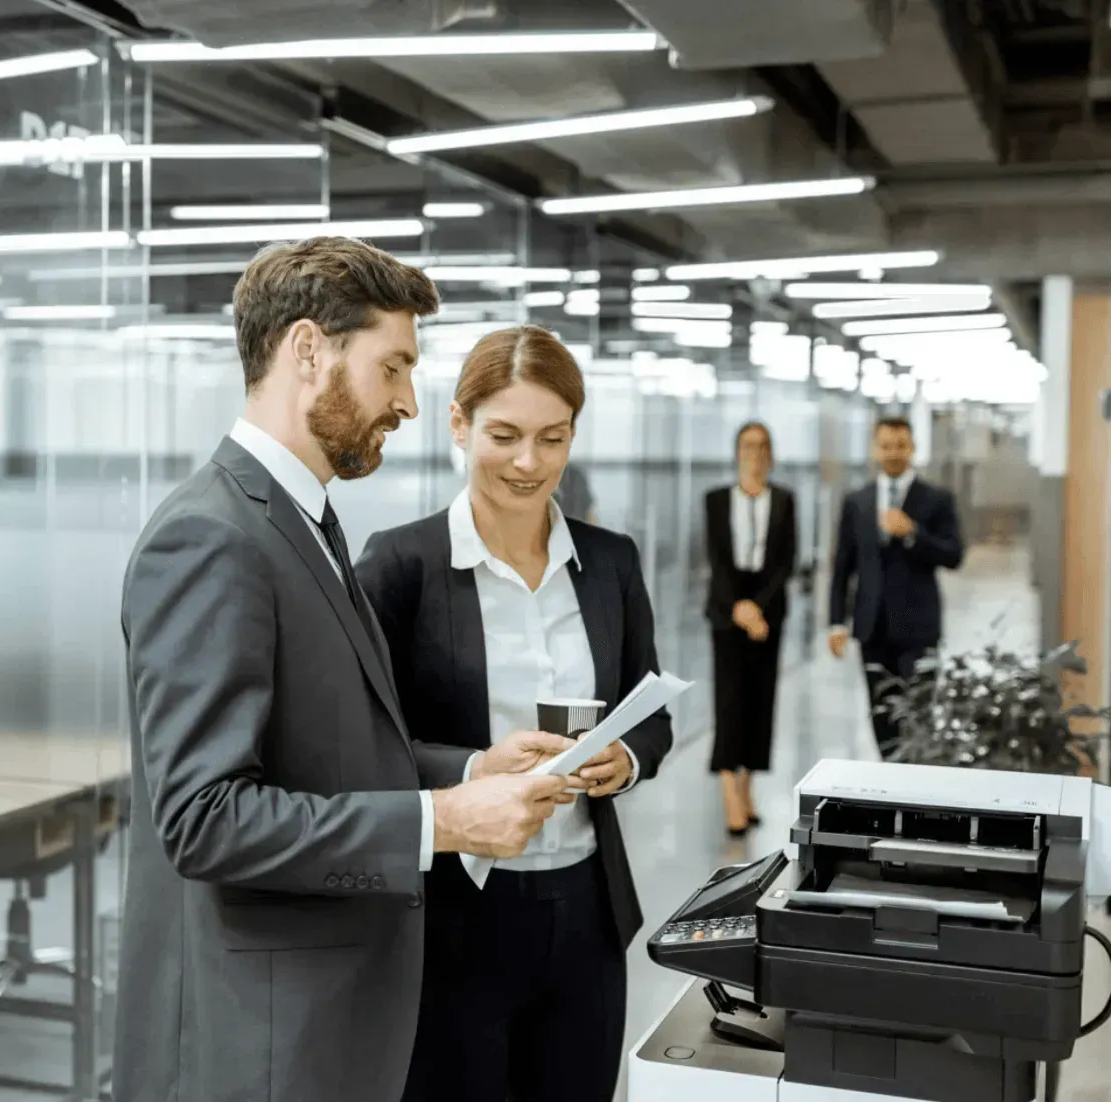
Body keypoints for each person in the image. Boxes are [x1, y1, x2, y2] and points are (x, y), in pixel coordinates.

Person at [113, 239, 579, 1102]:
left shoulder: (307, 523)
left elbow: (326, 752)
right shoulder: (211, 538)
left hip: (321, 1029)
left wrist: (473, 772)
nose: (407, 401)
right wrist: (441, 822)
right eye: (393, 366)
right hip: (257, 1046)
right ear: (307, 351)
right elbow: (203, 819)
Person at [357, 325, 674, 1102]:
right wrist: (471, 770)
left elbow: (652, 709)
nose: (528, 462)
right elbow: (363, 741)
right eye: (503, 435)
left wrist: (625, 757)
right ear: (458, 425)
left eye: (551, 437)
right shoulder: (401, 567)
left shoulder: (610, 563)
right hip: (453, 918)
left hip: (586, 912)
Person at [829, 416, 965, 757]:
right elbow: (842, 567)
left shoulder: (936, 499)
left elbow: (954, 554)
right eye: (886, 446)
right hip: (873, 630)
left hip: (919, 630)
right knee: (881, 716)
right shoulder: (857, 501)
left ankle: (914, 789)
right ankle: (888, 787)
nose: (893, 453)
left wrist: (913, 533)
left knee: (918, 716)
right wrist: (836, 622)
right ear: (875, 449)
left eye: (900, 446)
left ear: (912, 448)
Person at [704, 421, 798, 835]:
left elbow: (786, 562)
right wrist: (739, 607)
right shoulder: (716, 500)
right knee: (729, 701)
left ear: (771, 454)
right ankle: (728, 793)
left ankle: (748, 787)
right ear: (737, 452)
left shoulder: (785, 500)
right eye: (747, 446)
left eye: (762, 446)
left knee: (761, 701)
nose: (755, 453)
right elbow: (716, 560)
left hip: (768, 609)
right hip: (727, 609)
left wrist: (758, 609)